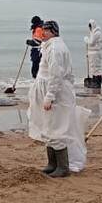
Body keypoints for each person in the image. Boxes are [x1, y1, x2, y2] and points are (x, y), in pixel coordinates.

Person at [28, 20, 79, 178]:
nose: (42, 33)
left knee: (56, 127)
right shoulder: (49, 46)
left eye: (46, 30)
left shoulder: (55, 48)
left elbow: (56, 74)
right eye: (42, 30)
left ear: (53, 32)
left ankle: (62, 167)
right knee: (48, 127)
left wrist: (50, 96)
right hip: (48, 89)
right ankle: (52, 164)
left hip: (56, 94)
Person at [84, 20, 102, 91]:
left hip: (95, 53)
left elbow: (91, 42)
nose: (89, 28)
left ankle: (97, 82)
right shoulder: (93, 32)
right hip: (92, 53)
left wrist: (86, 39)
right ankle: (94, 81)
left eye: (90, 26)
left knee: (96, 68)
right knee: (93, 68)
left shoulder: (97, 33)